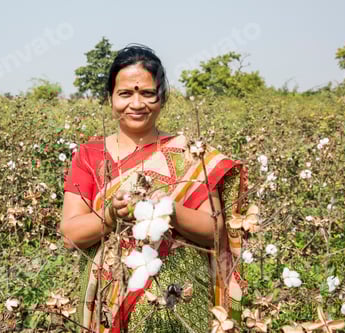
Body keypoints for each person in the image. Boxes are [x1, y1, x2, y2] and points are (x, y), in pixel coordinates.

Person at [61, 45, 246, 332]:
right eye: (125, 94)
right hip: (109, 296)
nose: (136, 103)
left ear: (162, 98)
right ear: (110, 99)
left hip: (179, 298)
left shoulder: (190, 154)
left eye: (147, 93)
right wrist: (111, 216)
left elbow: (216, 231)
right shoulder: (89, 155)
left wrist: (171, 211)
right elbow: (71, 235)